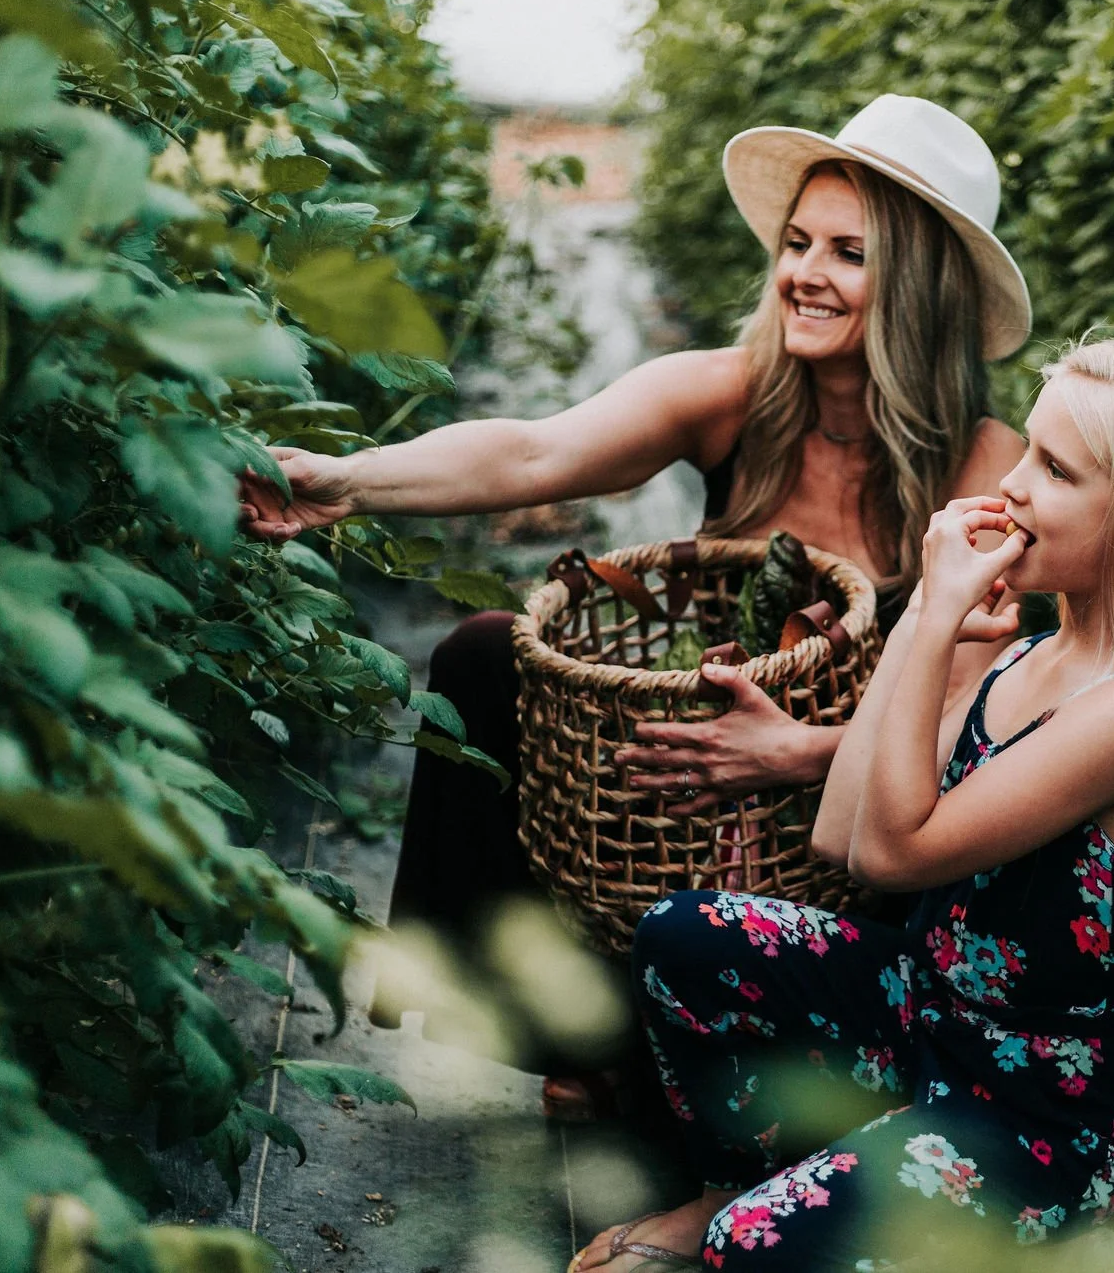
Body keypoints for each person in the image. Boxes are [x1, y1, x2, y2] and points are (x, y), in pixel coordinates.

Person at [235, 95, 1034, 1114]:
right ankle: (583, 1029)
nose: (803, 275)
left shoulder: (982, 465)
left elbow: (996, 720)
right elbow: (534, 449)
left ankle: (835, 1066)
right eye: (795, 244)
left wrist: (806, 751)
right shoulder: (735, 395)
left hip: (853, 823)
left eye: (848, 253)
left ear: (916, 286)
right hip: (692, 793)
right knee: (484, 654)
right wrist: (345, 480)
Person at [574, 337, 1114, 1269]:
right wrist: (922, 627)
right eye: (1027, 450)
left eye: (1056, 470)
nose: (1014, 485)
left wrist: (942, 613)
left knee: (750, 1251)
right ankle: (724, 1190)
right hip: (928, 1015)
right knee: (683, 934)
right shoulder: (1032, 653)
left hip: (1034, 1108)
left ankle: (777, 1217)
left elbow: (893, 855)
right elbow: (842, 830)